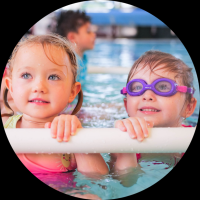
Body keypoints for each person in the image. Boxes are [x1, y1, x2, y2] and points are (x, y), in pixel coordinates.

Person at [2, 34, 108, 176]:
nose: (39, 87)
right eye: (26, 75)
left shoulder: (70, 134)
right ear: (11, 87)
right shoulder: (6, 127)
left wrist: (78, 136)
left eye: (53, 77)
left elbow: (98, 177)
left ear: (72, 92)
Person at [113, 50, 197, 180]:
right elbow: (125, 182)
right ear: (126, 106)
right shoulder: (116, 141)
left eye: (163, 87)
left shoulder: (190, 137)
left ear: (188, 107)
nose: (147, 96)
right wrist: (127, 147)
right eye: (136, 87)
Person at [56, 10, 96, 82]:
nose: (93, 34)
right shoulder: (69, 62)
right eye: (88, 31)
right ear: (72, 37)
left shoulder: (82, 58)